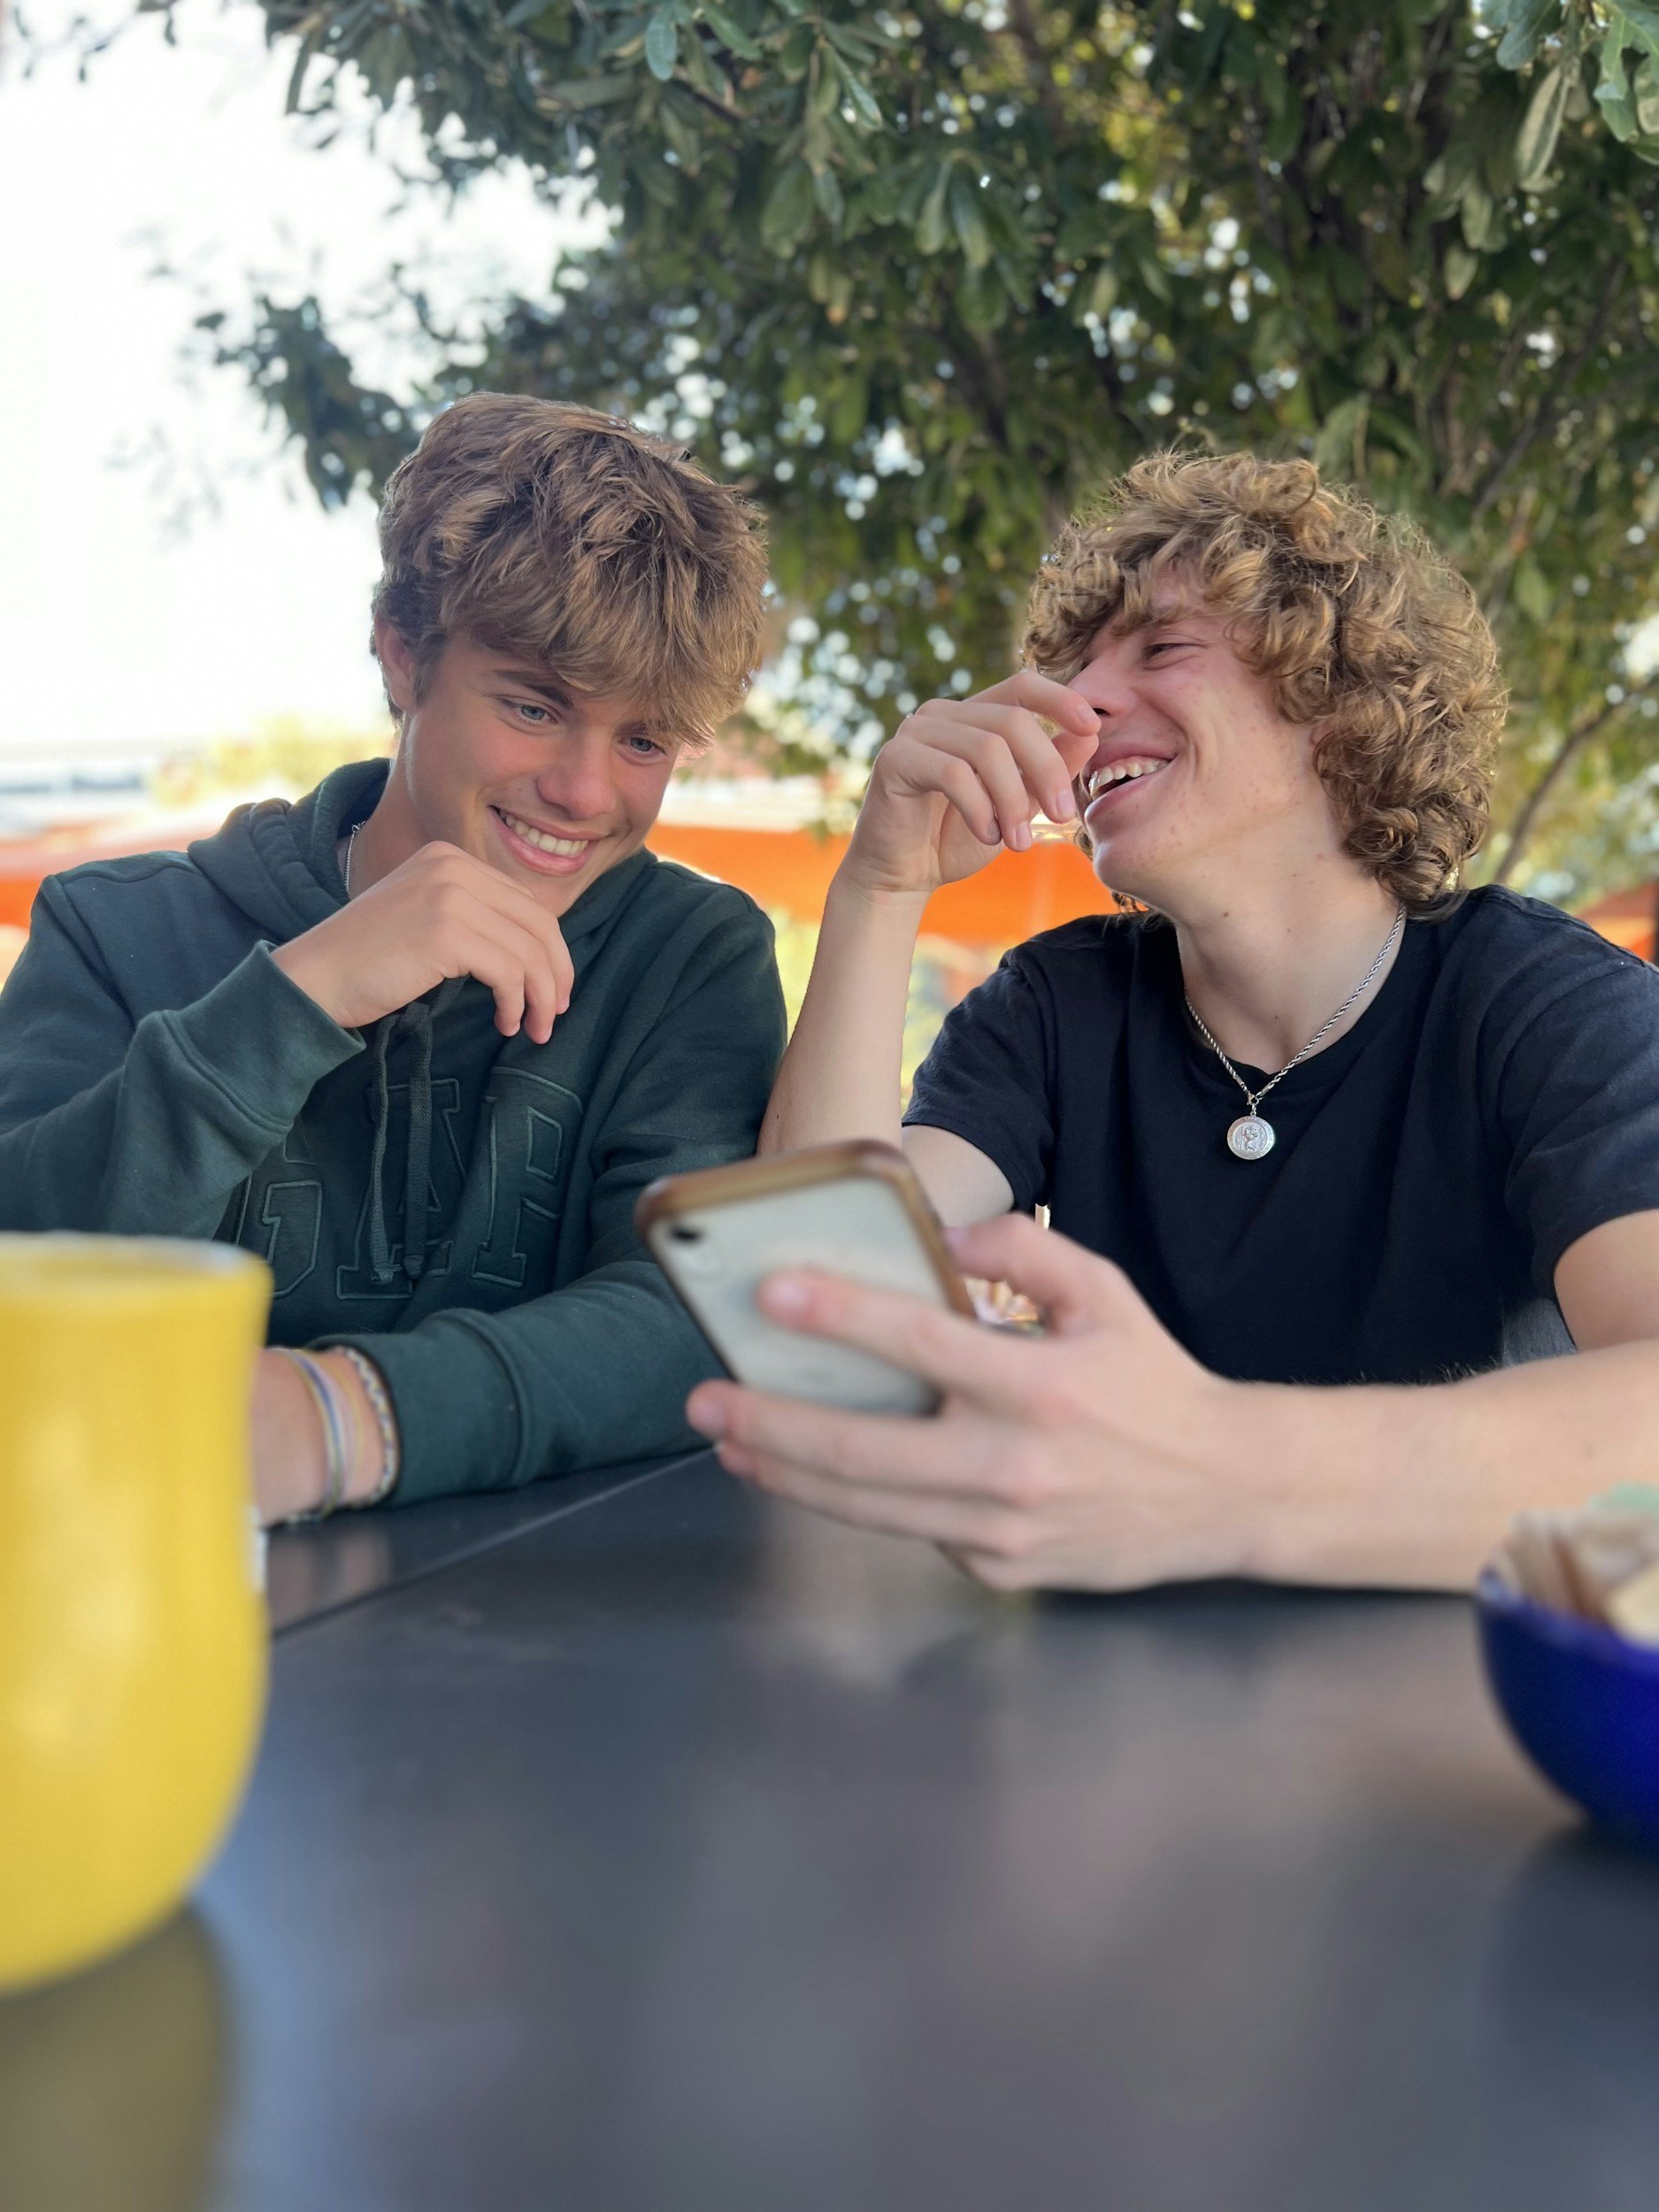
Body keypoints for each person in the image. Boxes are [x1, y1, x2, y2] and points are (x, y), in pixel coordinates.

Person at [687, 453, 1659, 1593]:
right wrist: (882, 885)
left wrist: (1215, 1475)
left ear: (1335, 708)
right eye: (1075, 670)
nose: (1079, 706)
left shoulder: (1547, 1003)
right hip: (1100, 1673)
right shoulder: (1056, 1003)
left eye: (1161, 649)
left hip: (1456, 1666)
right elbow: (811, 1308)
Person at [0, 395, 786, 1524]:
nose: (585, 790)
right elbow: (24, 1268)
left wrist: (338, 1414)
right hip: (141, 1575)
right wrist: (301, 995)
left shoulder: (692, 956)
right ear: (404, 657)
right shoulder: (114, 928)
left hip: (569, 1618)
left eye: (644, 738)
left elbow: (705, 1314)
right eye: (534, 706)